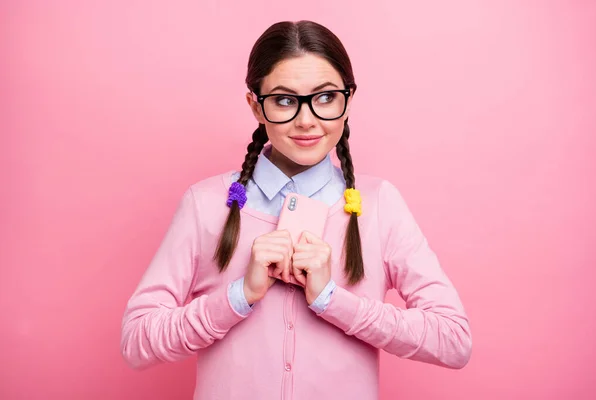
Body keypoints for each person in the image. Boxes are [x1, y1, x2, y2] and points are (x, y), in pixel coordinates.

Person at [120, 20, 472, 400]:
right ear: (256, 105)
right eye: (285, 100)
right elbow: (137, 340)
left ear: (348, 100)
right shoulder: (205, 203)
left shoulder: (380, 204)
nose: (307, 120)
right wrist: (238, 296)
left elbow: (453, 340)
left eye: (325, 97)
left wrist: (332, 300)